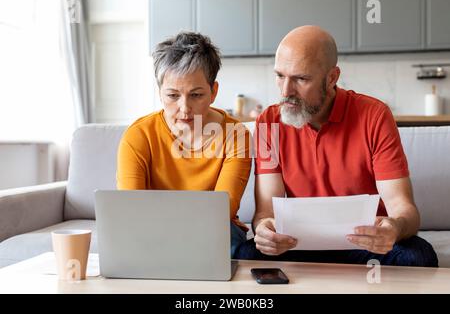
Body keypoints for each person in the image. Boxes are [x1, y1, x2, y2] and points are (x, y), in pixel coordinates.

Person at [235, 26, 438, 267]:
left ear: (332, 78)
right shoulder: (269, 123)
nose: (286, 91)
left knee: (418, 256)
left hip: (364, 245)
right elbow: (265, 212)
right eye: (280, 76)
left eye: (301, 79)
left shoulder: (374, 116)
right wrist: (265, 230)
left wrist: (394, 227)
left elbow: (404, 209)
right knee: (245, 255)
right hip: (297, 243)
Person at [116, 32, 252, 257]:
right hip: (152, 231)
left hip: (216, 230)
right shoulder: (139, 135)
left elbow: (222, 210)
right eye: (172, 95)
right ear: (159, 92)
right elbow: (132, 211)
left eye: (196, 95)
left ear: (213, 92)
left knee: (234, 246)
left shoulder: (236, 135)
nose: (185, 108)